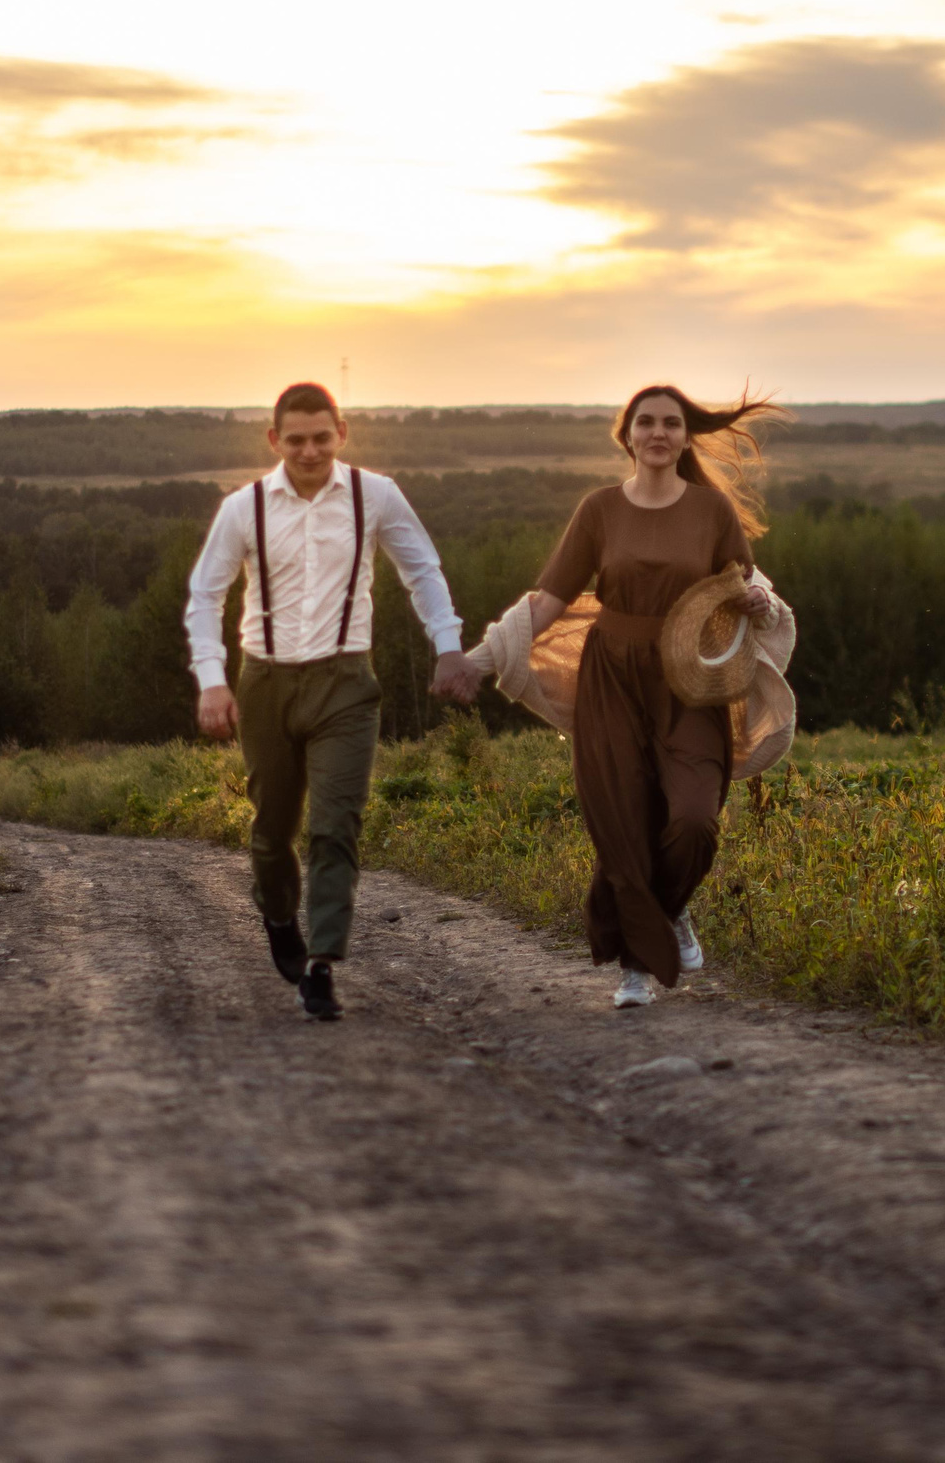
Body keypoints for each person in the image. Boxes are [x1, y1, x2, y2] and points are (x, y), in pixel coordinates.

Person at [187, 383, 480, 1021]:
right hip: (265, 683)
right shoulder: (246, 507)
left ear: (341, 432)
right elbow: (204, 595)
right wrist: (212, 679)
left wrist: (448, 645)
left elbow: (421, 569)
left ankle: (321, 965)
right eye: (296, 440)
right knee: (271, 831)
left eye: (322, 437)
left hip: (347, 683)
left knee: (334, 824)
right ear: (275, 441)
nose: (310, 450)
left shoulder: (377, 495)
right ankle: (276, 914)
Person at [487, 385, 787, 1009]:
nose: (658, 433)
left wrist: (758, 600)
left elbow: (742, 584)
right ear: (626, 435)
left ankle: (669, 912)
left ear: (684, 436)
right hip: (612, 680)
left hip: (688, 681)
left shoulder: (711, 511)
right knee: (623, 822)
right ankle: (635, 968)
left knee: (693, 819)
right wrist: (483, 655)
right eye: (645, 422)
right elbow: (550, 600)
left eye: (671, 423)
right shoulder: (598, 510)